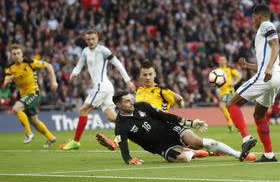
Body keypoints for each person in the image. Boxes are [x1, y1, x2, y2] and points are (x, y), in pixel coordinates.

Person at [111, 91, 256, 164]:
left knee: (199, 141)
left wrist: (190, 123)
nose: (131, 103)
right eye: (127, 101)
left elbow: (165, 116)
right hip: (161, 147)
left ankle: (238, 154)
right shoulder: (120, 125)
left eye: (131, 100)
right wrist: (129, 159)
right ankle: (194, 153)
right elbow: (123, 147)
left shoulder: (141, 106)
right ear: (118, 105)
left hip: (170, 129)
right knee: (183, 159)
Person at [60, 30, 136, 150]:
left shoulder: (103, 50)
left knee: (83, 110)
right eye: (88, 39)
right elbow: (80, 64)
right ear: (86, 40)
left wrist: (128, 81)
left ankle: (76, 142)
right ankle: (132, 124)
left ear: (97, 39)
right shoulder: (85, 51)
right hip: (105, 87)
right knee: (112, 117)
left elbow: (118, 64)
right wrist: (74, 72)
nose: (90, 41)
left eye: (93, 39)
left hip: (102, 86)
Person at [226, 4, 280, 162]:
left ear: (259, 16)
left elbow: (276, 44)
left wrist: (269, 67)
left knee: (231, 103)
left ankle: (246, 138)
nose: (252, 20)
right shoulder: (262, 33)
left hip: (268, 75)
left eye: (252, 17)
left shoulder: (266, 24)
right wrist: (248, 66)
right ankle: (269, 154)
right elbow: (264, 62)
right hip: (275, 76)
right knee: (259, 115)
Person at [96, 59, 184, 150]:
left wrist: (180, 106)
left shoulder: (162, 90)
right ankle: (115, 142)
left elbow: (179, 99)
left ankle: (115, 142)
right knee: (125, 124)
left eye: (150, 74)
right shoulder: (139, 91)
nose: (148, 77)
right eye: (145, 75)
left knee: (189, 146)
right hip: (145, 124)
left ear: (154, 74)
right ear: (141, 76)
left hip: (158, 123)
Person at [3, 44, 58, 147]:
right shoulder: (9, 68)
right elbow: (4, 86)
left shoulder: (30, 63)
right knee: (34, 121)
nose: (16, 55)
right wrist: (8, 81)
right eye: (14, 54)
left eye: (18, 53)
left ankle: (29, 133)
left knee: (16, 109)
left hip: (34, 93)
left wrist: (54, 81)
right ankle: (51, 137)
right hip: (24, 96)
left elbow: (49, 66)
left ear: (22, 54)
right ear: (11, 55)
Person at [217, 55, 242, 132]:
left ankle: (230, 124)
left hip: (229, 91)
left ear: (226, 61)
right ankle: (237, 125)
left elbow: (239, 76)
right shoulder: (217, 70)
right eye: (220, 59)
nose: (221, 61)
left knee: (222, 106)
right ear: (218, 61)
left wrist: (233, 83)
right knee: (230, 109)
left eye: (223, 59)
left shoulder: (229, 69)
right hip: (221, 92)